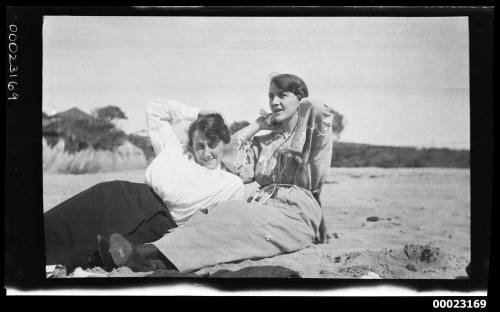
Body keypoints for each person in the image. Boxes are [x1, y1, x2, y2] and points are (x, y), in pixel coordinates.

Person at [99, 73, 336, 273]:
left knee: (238, 223)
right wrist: (258, 126)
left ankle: (142, 255)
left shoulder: (312, 141)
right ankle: (141, 251)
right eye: (271, 96)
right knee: (218, 213)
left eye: (282, 95)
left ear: (299, 99)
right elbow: (227, 151)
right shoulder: (263, 142)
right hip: (261, 203)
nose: (274, 101)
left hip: (295, 211)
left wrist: (298, 115)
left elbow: (316, 108)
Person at [44, 100, 244, 270]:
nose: (206, 152)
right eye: (200, 145)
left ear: (224, 142)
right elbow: (154, 109)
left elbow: (224, 227)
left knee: (86, 247)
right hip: (119, 194)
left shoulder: (231, 184)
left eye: (213, 144)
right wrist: (197, 113)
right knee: (63, 219)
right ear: (192, 144)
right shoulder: (177, 152)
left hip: (155, 223)